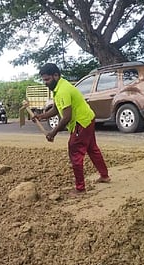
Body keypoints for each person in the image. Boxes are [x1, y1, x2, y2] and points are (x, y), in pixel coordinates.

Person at [34, 63, 110, 196]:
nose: (45, 83)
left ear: (56, 76)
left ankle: (80, 188)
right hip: (88, 118)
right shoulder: (60, 87)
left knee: (75, 150)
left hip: (81, 122)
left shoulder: (62, 90)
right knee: (92, 148)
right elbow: (57, 109)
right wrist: (41, 116)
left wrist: (53, 133)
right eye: (43, 80)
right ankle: (104, 176)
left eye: (47, 79)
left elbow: (66, 117)